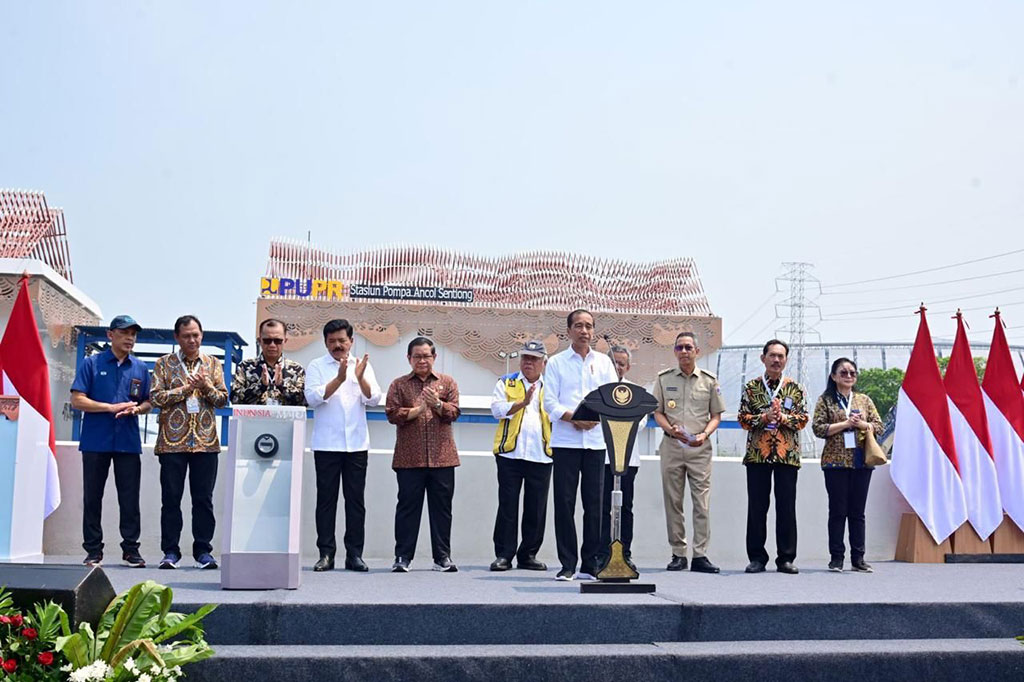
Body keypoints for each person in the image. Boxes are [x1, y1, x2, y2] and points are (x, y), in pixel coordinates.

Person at [70, 315, 152, 568]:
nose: (130, 338)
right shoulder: (91, 364)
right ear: (110, 335)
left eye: (134, 334)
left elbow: (149, 401)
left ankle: (131, 550)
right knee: (92, 497)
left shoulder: (140, 368)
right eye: (125, 333)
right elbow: (77, 400)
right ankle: (93, 550)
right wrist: (109, 407)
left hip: (128, 441)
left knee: (130, 498)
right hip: (96, 441)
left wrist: (137, 411)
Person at [542, 309, 619, 581]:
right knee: (564, 503)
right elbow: (548, 401)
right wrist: (573, 417)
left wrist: (595, 418)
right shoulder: (556, 363)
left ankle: (591, 563)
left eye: (588, 326)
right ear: (568, 331)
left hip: (596, 442)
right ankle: (567, 563)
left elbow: (612, 397)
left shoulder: (604, 363)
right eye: (578, 326)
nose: (583, 331)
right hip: (566, 441)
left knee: (595, 505)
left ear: (593, 331)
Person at [150, 315, 229, 570]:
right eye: (186, 336)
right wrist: (185, 389)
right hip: (172, 443)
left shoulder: (213, 364)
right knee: (171, 499)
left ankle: (203, 551)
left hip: (205, 443)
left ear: (202, 335)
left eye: (196, 335)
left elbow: (222, 400)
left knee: (203, 499)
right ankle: (170, 552)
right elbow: (156, 398)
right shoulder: (164, 364)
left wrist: (205, 385)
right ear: (177, 338)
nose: (192, 340)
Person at [305, 319, 381, 572]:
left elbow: (374, 399)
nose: (337, 345)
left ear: (351, 341)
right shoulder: (316, 366)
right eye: (332, 341)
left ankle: (355, 554)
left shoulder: (362, 365)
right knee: (326, 501)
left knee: (355, 502)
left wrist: (359, 378)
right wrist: (338, 379)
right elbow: (313, 398)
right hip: (327, 445)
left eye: (342, 341)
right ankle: (326, 554)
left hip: (357, 445)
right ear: (325, 342)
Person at [385, 337, 461, 573]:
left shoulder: (447, 383)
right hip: (410, 458)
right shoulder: (399, 385)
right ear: (409, 358)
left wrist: (437, 405)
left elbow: (455, 412)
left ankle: (442, 557)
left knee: (442, 509)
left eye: (427, 356)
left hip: (442, 457)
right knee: (407, 508)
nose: (422, 360)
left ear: (434, 358)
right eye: (417, 356)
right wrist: (417, 410)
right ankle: (402, 557)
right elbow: (391, 413)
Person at [652, 332, 726, 574]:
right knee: (673, 502)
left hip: (699, 448)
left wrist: (704, 434)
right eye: (679, 348)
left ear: (697, 351)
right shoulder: (663, 379)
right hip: (672, 446)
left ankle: (700, 554)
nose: (684, 352)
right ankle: (678, 553)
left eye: (688, 347)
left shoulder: (709, 380)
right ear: (674, 352)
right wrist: (670, 429)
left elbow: (716, 415)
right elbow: (657, 412)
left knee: (701, 504)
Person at [737, 339, 808, 575]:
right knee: (757, 507)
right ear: (763, 358)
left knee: (786, 508)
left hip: (787, 456)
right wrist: (764, 418)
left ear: (786, 359)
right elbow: (743, 419)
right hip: (758, 455)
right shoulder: (751, 387)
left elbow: (803, 419)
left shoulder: (795, 388)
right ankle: (756, 557)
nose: (776, 360)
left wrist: (784, 418)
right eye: (772, 355)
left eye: (781, 356)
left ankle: (786, 558)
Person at [812, 357, 883, 573]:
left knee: (857, 512)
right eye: (843, 373)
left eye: (852, 373)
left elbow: (879, 426)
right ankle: (836, 558)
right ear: (833, 376)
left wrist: (863, 424)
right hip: (835, 462)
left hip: (861, 461)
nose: (849, 376)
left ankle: (858, 558)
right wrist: (845, 424)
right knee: (837, 511)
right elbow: (818, 428)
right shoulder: (826, 400)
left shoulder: (864, 400)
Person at [489, 340, 552, 572]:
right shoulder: (507, 382)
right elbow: (496, 410)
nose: (529, 362)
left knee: (536, 508)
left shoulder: (552, 385)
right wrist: (522, 403)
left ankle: (528, 555)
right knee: (508, 506)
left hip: (542, 454)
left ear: (543, 362)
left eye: (534, 359)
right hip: (509, 454)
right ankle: (504, 555)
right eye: (525, 357)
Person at [597, 345, 647, 572]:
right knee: (601, 508)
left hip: (627, 460)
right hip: (601, 458)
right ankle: (601, 553)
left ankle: (624, 553)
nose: (617, 367)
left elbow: (641, 422)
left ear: (627, 367)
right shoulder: (598, 391)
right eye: (613, 362)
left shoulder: (636, 392)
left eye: (621, 363)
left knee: (625, 508)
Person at [230, 318, 306, 406]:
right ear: (259, 341)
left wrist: (282, 385)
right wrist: (261, 386)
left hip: (285, 419)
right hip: (254, 419)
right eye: (267, 341)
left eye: (277, 341)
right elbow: (235, 399)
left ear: (285, 341)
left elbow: (304, 401)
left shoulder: (297, 369)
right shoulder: (245, 367)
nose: (272, 345)